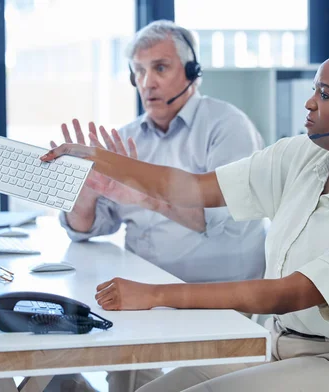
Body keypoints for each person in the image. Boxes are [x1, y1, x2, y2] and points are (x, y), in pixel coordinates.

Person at [42, 31, 329, 392]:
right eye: (313, 90)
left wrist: (155, 295)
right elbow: (193, 189)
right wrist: (101, 158)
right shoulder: (299, 157)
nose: (309, 104)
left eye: (323, 94)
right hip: (279, 342)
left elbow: (286, 294)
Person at [47, 20, 266, 392]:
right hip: (144, 296)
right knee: (66, 365)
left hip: (217, 295)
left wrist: (142, 196)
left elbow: (216, 221)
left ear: (192, 71)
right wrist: (83, 189)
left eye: (160, 68)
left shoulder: (227, 127)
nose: (147, 82)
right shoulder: (129, 138)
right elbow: (84, 230)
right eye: (139, 71)